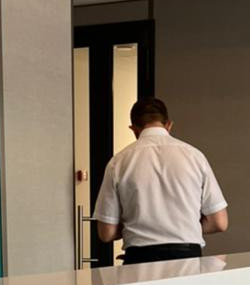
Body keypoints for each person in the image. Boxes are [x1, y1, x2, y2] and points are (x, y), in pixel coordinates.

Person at [93, 97, 229, 265]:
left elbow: (106, 233)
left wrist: (137, 229)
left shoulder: (118, 162)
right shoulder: (195, 156)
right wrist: (179, 226)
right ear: (169, 125)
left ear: (133, 129)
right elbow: (219, 223)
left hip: (140, 258)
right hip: (187, 258)